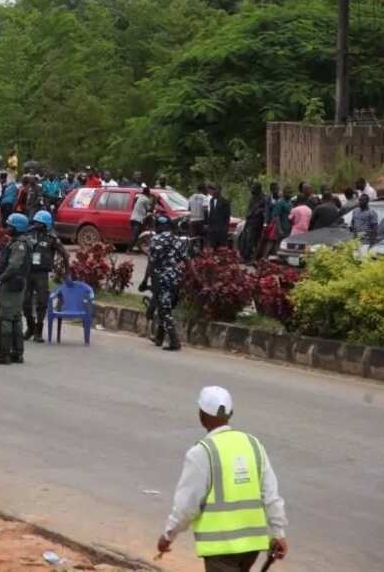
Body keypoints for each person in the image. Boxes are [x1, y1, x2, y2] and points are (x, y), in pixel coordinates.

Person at [158, 386, 287, 572]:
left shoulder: (202, 452)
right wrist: (278, 533)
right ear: (230, 413)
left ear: (201, 415)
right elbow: (271, 494)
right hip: (251, 546)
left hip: (221, 548)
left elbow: (187, 505)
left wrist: (168, 535)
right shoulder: (253, 444)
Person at [0, 213, 32, 365]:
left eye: (10, 226)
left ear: (17, 228)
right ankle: (16, 353)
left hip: (12, 284)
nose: (7, 229)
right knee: (15, 318)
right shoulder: (17, 242)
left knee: (6, 318)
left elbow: (13, 266)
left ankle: (4, 354)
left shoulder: (19, 245)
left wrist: (0, 279)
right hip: (15, 283)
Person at [139, 215, 186, 351]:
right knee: (165, 307)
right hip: (176, 279)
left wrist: (144, 280)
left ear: (158, 227)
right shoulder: (177, 240)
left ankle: (174, 341)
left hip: (162, 279)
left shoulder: (156, 239)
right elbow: (187, 260)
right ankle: (159, 338)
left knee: (164, 310)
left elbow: (151, 263)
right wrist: (196, 278)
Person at [23, 211, 69, 343]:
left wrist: (67, 273)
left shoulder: (52, 238)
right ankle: (30, 326)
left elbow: (65, 255)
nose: (35, 224)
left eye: (38, 222)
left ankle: (38, 331)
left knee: (42, 303)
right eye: (35, 221)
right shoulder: (28, 233)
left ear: (45, 225)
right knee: (25, 302)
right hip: (28, 272)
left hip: (42, 274)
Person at [239, 183, 266, 261]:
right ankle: (244, 256)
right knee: (245, 239)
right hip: (249, 220)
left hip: (257, 222)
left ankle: (249, 257)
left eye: (254, 189)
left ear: (259, 189)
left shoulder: (263, 198)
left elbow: (265, 209)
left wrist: (259, 211)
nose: (252, 191)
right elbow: (250, 208)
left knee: (251, 240)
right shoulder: (253, 197)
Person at [205, 184, 231, 249]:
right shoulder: (211, 200)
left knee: (221, 249)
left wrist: (225, 229)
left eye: (214, 189)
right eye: (211, 190)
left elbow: (227, 216)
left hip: (221, 229)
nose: (211, 192)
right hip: (212, 230)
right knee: (213, 248)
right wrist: (209, 226)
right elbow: (211, 214)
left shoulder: (225, 202)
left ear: (218, 190)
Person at [130, 186, 154, 252]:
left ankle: (134, 247)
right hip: (138, 219)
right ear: (148, 193)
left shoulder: (139, 197)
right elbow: (149, 209)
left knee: (136, 234)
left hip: (133, 218)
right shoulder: (146, 199)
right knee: (135, 235)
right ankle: (129, 250)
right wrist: (152, 202)